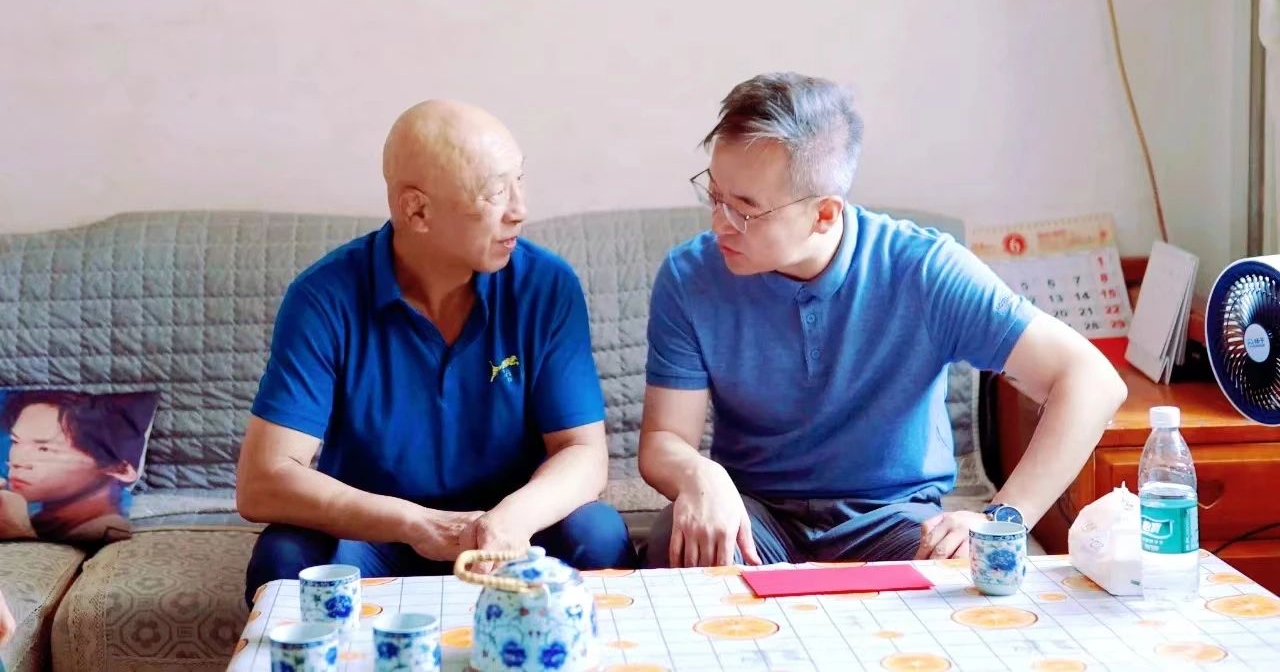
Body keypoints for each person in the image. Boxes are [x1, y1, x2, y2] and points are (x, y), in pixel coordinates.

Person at [638, 72, 1128, 567]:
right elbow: (663, 440)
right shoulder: (690, 277)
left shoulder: (923, 269)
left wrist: (1005, 517)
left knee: (968, 571)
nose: (719, 223)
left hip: (894, 518)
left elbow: (1093, 380)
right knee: (680, 544)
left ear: (824, 215)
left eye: (744, 210)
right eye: (714, 196)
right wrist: (700, 475)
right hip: (754, 515)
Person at [238, 100, 634, 604]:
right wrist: (414, 523)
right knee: (284, 556)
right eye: (495, 192)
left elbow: (583, 452)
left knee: (599, 533)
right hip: (377, 532)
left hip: (513, 529)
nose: (519, 209)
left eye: (519, 181)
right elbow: (263, 481)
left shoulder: (547, 285)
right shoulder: (323, 299)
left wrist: (510, 520)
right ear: (417, 210)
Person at [0, 391, 156, 543]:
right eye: (15, 442)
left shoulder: (109, 533)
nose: (16, 461)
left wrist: (19, 529)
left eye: (44, 449)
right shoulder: (38, 520)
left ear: (119, 468)